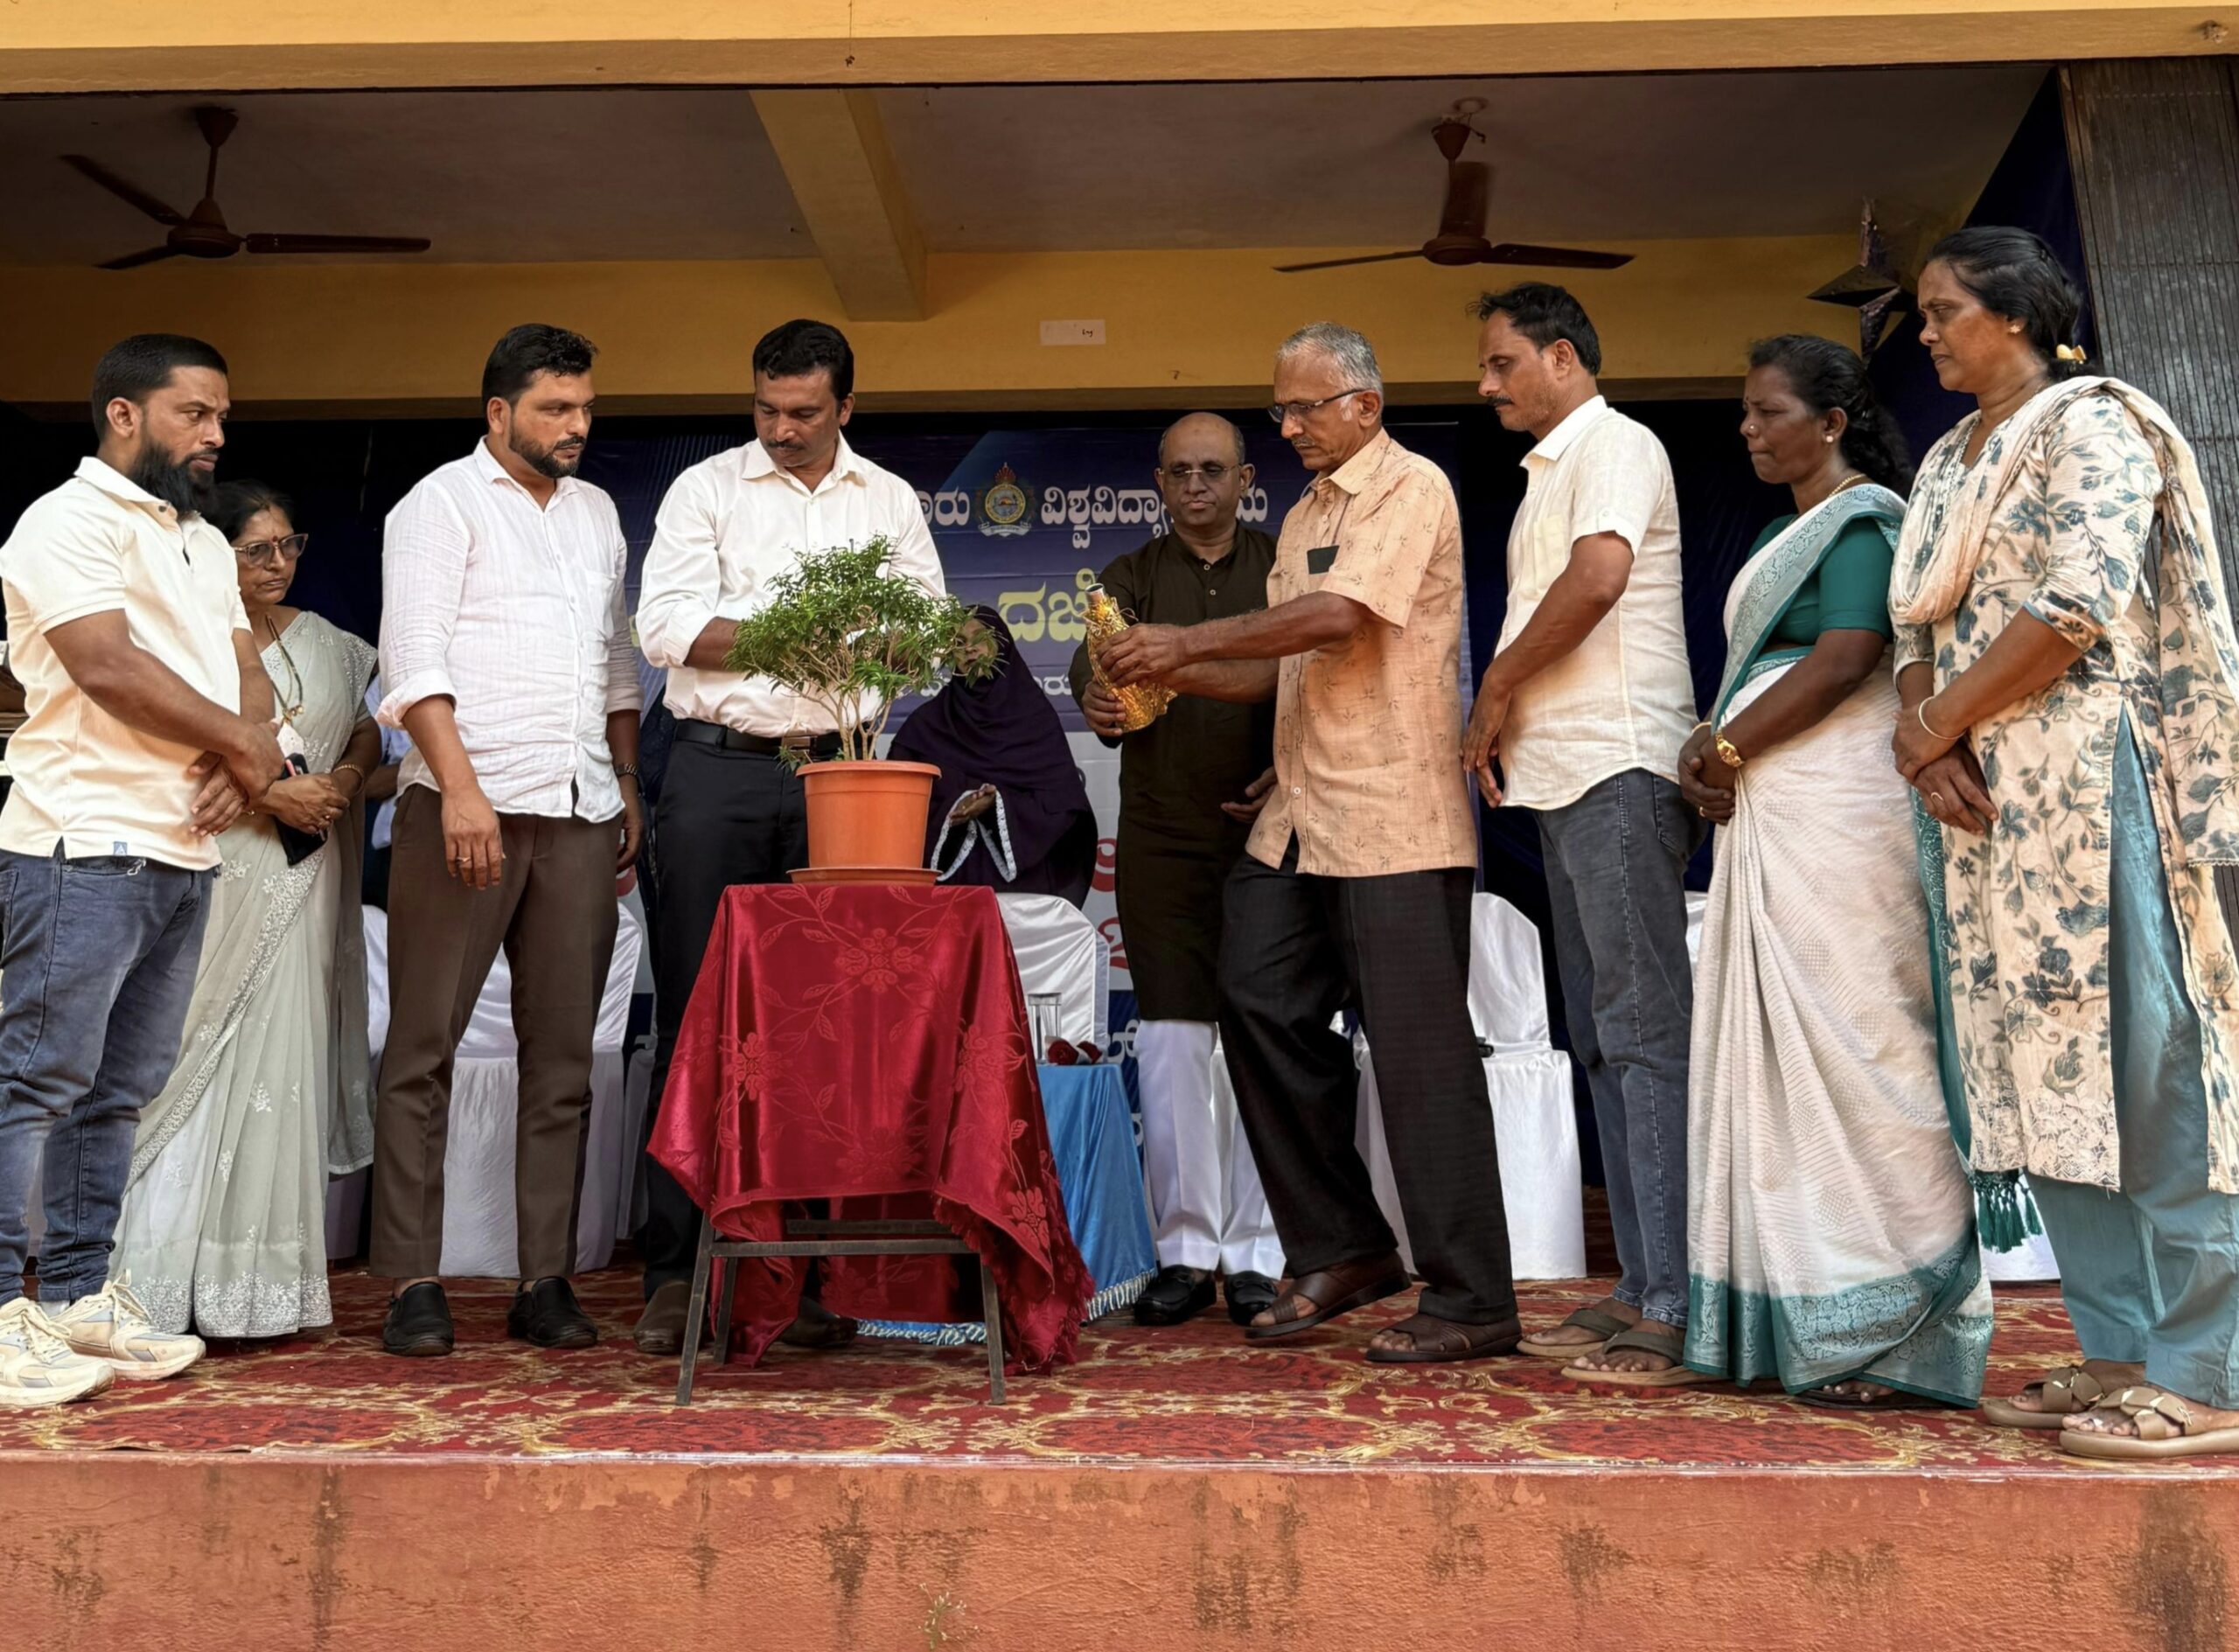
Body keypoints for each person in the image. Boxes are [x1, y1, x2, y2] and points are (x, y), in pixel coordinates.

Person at [1102, 323, 1519, 1364]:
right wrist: (1164, 670)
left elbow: (1335, 618)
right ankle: (1345, 1247)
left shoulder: (1410, 487)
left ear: (1363, 405)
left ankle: (1472, 1296)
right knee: (1253, 994)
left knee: (1419, 1057)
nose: (1285, 426)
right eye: (1279, 409)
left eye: (1302, 407)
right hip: (1296, 816)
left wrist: (1185, 637)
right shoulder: (1302, 514)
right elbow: (1281, 663)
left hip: (1391, 816)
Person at [1889, 227, 2239, 1460]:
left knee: (2152, 1064)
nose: (1925, 332)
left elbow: (2076, 605)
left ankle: (2210, 1368)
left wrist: (1937, 722)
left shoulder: (2094, 423)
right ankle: (2120, 1349)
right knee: (2041, 1071)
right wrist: (1927, 738)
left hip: (2096, 785)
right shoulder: (1947, 457)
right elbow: (1913, 621)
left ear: (2018, 315)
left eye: (1943, 310)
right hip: (1987, 805)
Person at [1678, 337, 1991, 1409]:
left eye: (1767, 411)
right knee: (1780, 1062)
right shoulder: (1781, 531)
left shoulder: (1863, 521)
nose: (1748, 429)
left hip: (1843, 814)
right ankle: (1800, 1314)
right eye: (1745, 412)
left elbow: (1848, 655)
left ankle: (1896, 1322)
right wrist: (1717, 751)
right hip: (1778, 809)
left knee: (1864, 1041)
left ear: (1832, 421)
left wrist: (1724, 746)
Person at [632, 318, 945, 1356]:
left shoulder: (887, 499)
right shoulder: (706, 489)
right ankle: (676, 1275)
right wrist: (806, 636)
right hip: (715, 772)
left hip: (839, 774)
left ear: (845, 406)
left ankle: (802, 1276)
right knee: (696, 1015)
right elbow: (667, 629)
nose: (782, 429)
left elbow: (922, 635)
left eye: (804, 412)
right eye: (766, 409)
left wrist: (844, 640)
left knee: (824, 1029)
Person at [0, 334, 282, 1406]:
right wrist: (244, 750)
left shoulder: (200, 538)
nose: (215, 435)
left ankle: (79, 1297)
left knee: (116, 1090)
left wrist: (241, 755)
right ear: (124, 413)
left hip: (179, 845)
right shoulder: (64, 521)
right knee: (36, 1080)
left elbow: (247, 668)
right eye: (193, 413)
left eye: (221, 416)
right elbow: (105, 666)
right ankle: (2, 1312)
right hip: (81, 837)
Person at [373, 324, 643, 1357]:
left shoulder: (598, 512)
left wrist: (625, 782)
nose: (576, 426)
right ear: (499, 412)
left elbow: (616, 662)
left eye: (584, 408)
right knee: (423, 1048)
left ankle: (544, 1277)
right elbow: (413, 659)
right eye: (554, 409)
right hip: (464, 809)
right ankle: (412, 1280)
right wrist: (460, 791)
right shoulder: (437, 503)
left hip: (578, 809)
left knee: (563, 1059)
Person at [1461, 283, 1703, 1386]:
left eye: (1502, 362)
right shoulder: (1549, 468)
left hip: (1618, 764)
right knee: (1605, 1035)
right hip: (1565, 778)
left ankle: (1677, 1299)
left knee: (1643, 1033)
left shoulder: (1614, 442)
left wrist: (1494, 687)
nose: (1486, 384)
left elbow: (1598, 580)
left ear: (1562, 357)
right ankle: (1639, 1286)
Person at [113, 482, 380, 1337]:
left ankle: (250, 1291)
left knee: (278, 1057)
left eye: (288, 545)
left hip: (303, 878)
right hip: (214, 867)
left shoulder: (331, 643)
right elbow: (158, 748)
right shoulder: (180, 638)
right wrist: (270, 794)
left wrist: (341, 779)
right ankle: (149, 1282)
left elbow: (367, 726)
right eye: (256, 549)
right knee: (186, 1056)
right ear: (211, 555)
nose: (278, 563)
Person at [1066, 413, 1282, 1328]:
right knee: (1171, 1038)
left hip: (1276, 832)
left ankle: (1263, 1252)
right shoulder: (1131, 574)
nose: (1197, 485)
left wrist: (1293, 768)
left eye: (1213, 470)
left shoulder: (1283, 564)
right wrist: (1096, 695)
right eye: (1180, 471)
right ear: (1158, 482)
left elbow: (1320, 672)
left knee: (1272, 1034)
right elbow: (1094, 660)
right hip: (1162, 837)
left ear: (1245, 479)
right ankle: (1188, 1251)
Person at [890, 607, 1098, 905]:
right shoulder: (926, 726)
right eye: (958, 643)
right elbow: (898, 806)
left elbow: (1062, 802)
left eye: (980, 638)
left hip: (1023, 890)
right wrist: (953, 807)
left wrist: (998, 805)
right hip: (950, 889)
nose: (970, 649)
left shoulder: (1034, 718)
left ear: (1002, 645)